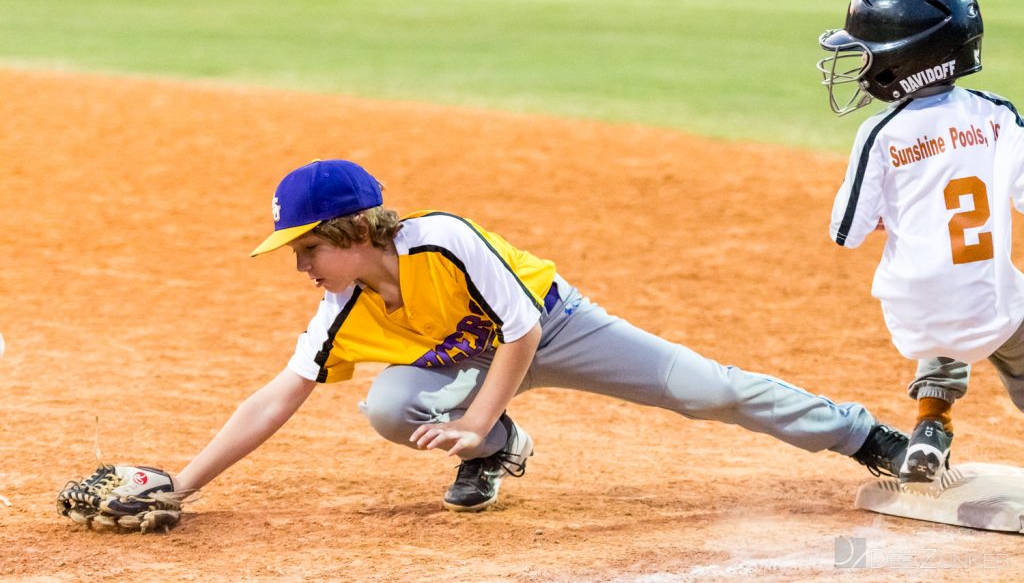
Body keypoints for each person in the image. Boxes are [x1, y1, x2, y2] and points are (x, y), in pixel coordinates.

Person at [78, 158, 908, 522]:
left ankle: (865, 435)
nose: (299, 266)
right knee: (390, 404)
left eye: (307, 248)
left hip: (555, 325)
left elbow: (524, 328)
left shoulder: (441, 238)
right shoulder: (344, 305)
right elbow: (278, 394)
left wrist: (475, 411)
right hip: (471, 359)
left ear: (354, 230)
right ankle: (497, 448)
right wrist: (183, 483)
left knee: (707, 390)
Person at [818, 0, 1024, 487]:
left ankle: (931, 428)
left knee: (942, 296)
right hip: (993, 307)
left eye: (867, 48)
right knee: (992, 293)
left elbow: (847, 232)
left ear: (906, 56)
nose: (860, 60)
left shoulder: (881, 132)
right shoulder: (997, 115)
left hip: (915, 316)